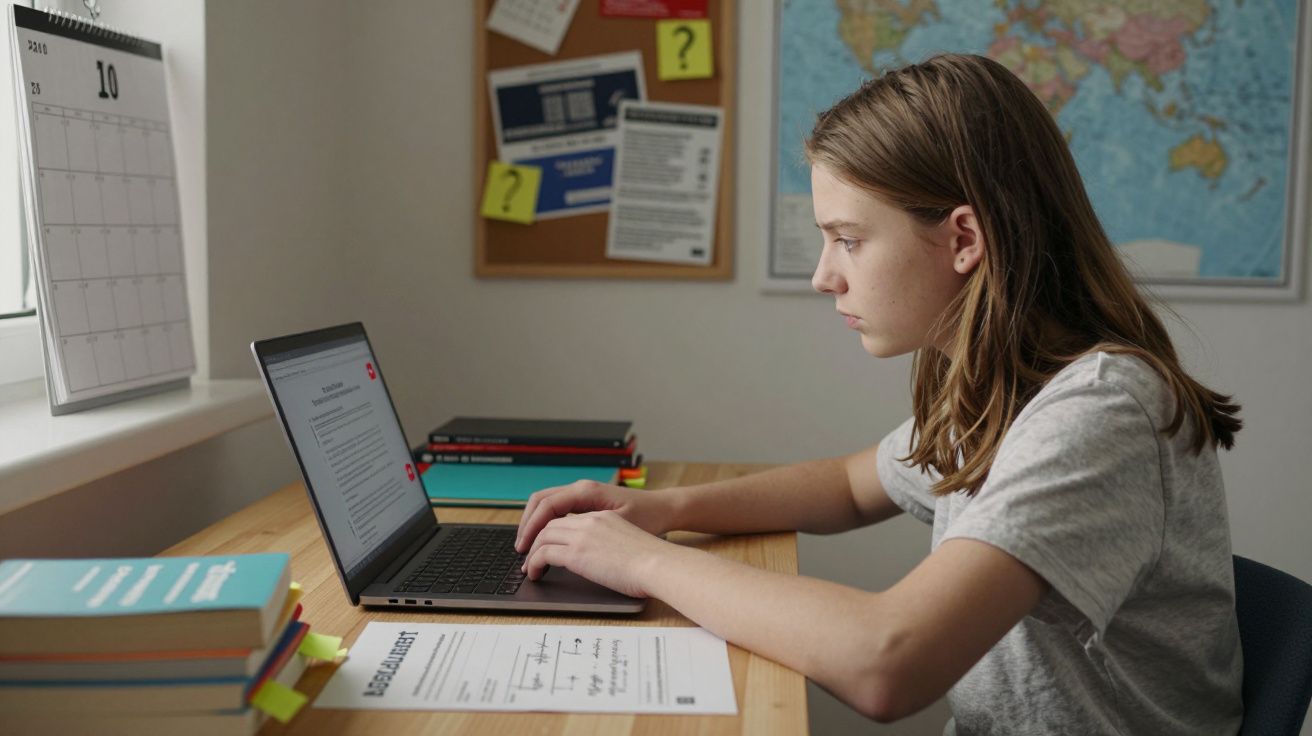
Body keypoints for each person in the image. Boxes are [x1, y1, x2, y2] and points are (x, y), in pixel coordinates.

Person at [513, 53, 1244, 734]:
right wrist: (666, 510)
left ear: (964, 239)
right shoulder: (1003, 385)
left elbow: (886, 663)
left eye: (849, 239)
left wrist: (644, 563)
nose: (823, 276)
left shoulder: (1099, 412)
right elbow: (849, 485)